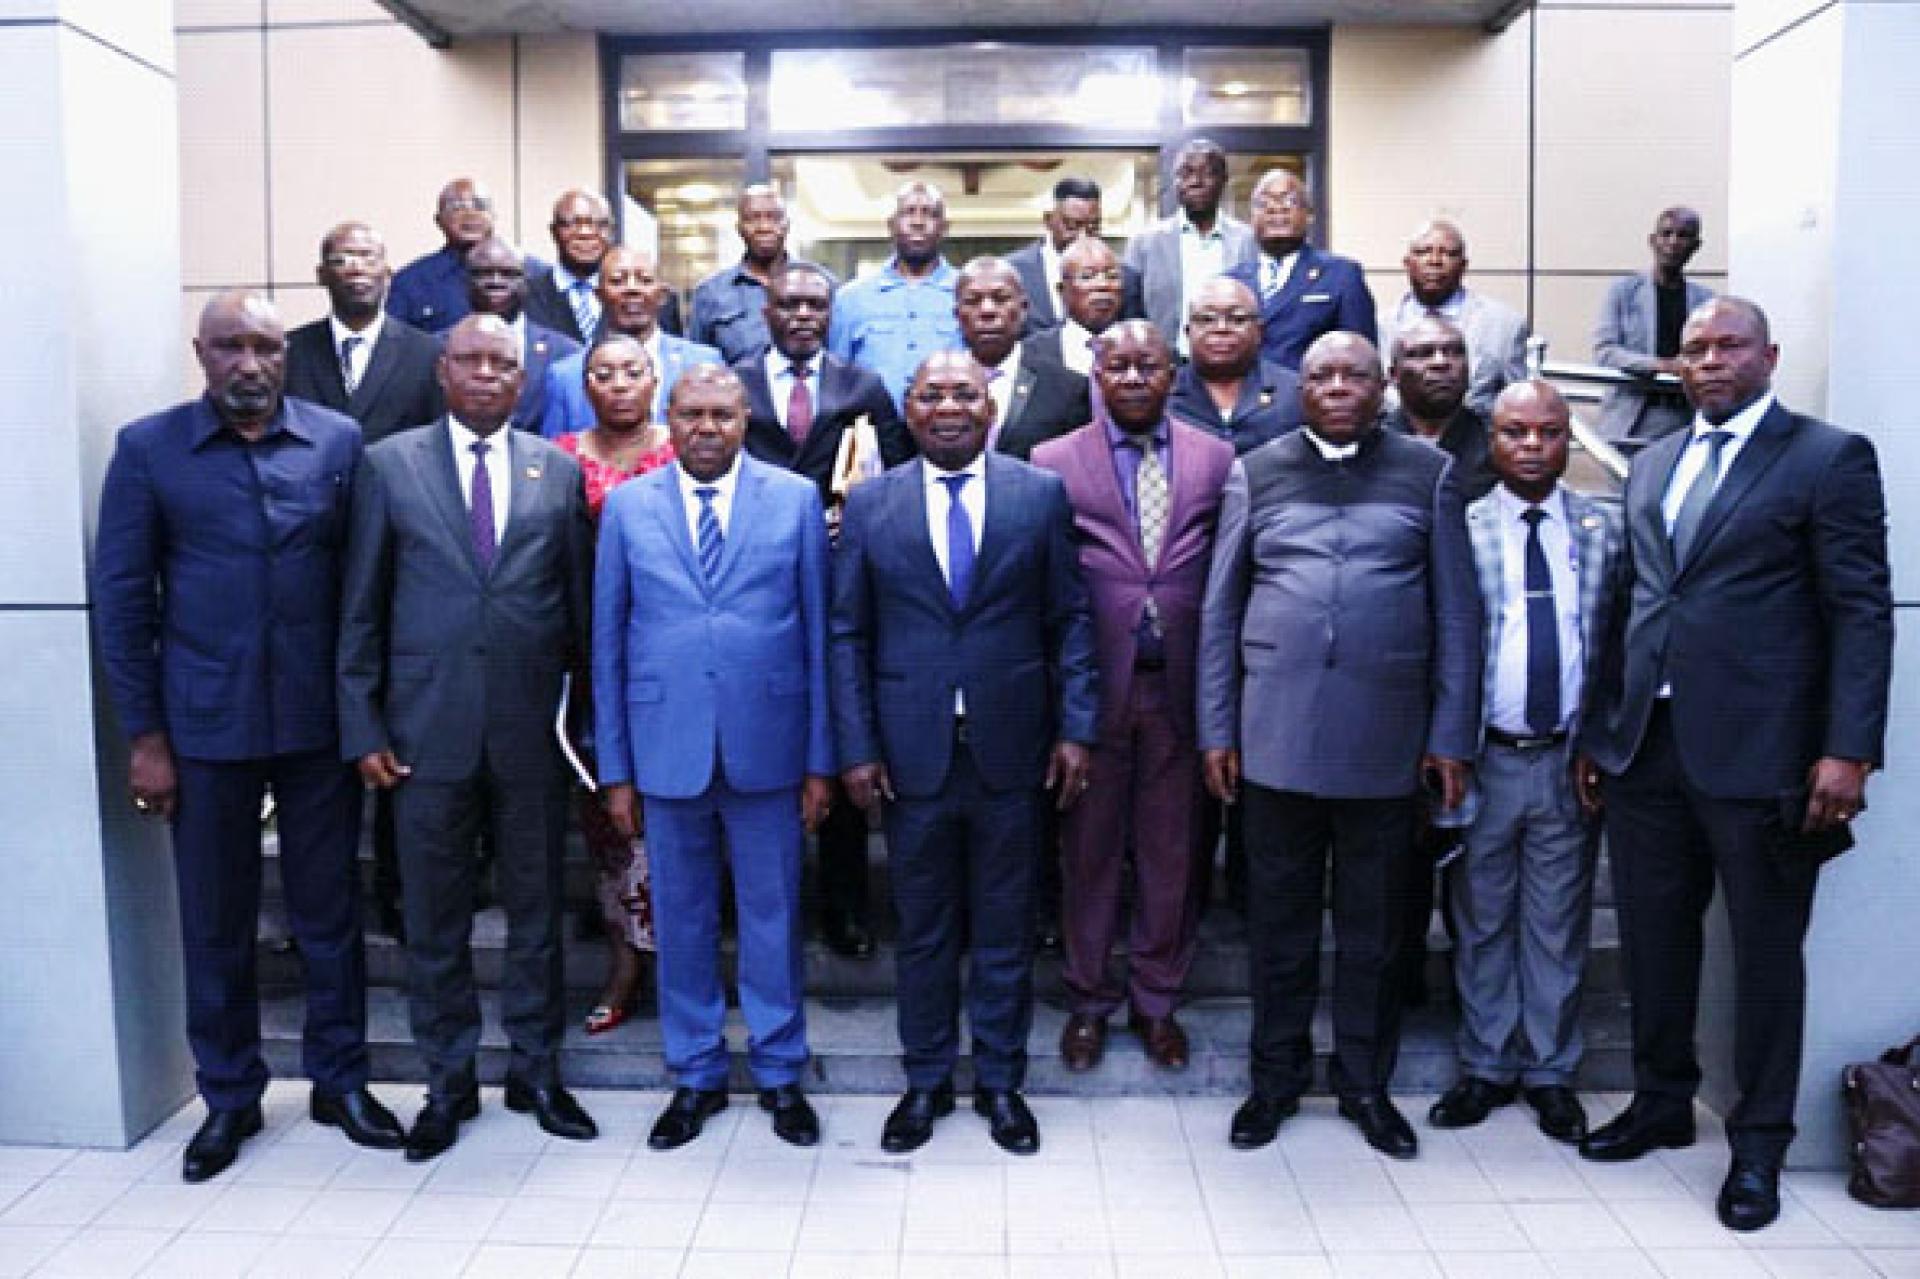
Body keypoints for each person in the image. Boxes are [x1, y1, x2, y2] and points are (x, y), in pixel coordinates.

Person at [1574, 297, 1893, 1232]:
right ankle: (1663, 1101)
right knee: (1655, 943)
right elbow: (1626, 603)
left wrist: (1849, 749)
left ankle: (1758, 1146)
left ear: (1769, 356)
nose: (1709, 360)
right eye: (1694, 349)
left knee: (1762, 958)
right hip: (1647, 752)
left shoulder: (1827, 458)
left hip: (1766, 757)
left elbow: (1860, 611)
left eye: (1728, 346)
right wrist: (1604, 730)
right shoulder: (1657, 463)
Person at [94, 291, 404, 1183]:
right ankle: (230, 1094)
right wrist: (145, 735)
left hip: (315, 725)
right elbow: (122, 603)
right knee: (217, 917)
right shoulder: (148, 451)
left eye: (266, 346)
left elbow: (361, 590)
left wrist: (362, 717)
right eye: (231, 346)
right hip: (203, 724)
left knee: (329, 911)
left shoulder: (336, 443)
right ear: (201, 353)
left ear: (286, 355)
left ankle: (340, 1080)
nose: (250, 363)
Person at [1198, 331, 1479, 1160]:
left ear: (1384, 383)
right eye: (1321, 374)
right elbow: (1219, 608)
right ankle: (1274, 1080)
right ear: (1298, 386)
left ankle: (1364, 1081)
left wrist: (1450, 734)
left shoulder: (1427, 473)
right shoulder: (1258, 468)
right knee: (1278, 928)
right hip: (1273, 739)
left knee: (1375, 933)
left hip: (1388, 746)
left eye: (1356, 373)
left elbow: (1459, 615)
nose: (1338, 386)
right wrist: (1217, 726)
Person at [338, 314, 598, 1162]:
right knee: (435, 921)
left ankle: (535, 1069)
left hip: (530, 733)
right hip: (423, 734)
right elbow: (361, 607)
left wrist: (586, 724)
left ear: (521, 380)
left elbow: (579, 611)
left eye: (504, 364)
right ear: (443, 372)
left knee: (536, 915)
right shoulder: (387, 464)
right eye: (473, 361)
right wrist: (364, 722)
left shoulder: (555, 470)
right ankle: (448, 1082)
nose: (489, 375)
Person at [832, 351, 1097, 1156]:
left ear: (990, 408)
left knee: (1007, 925)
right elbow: (847, 632)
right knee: (923, 928)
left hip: (1012, 749)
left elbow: (1071, 620)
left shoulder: (1037, 493)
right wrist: (857, 745)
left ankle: (1003, 1083)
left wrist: (1077, 728)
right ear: (906, 410)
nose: (948, 405)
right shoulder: (870, 502)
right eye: (931, 393)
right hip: (909, 756)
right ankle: (925, 1081)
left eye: (964, 393)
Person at [595, 364, 835, 1152]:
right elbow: (609, 642)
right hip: (666, 750)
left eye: (723, 415)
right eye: (692, 413)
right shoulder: (629, 507)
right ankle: (695, 1072)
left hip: (769, 743)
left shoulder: (794, 499)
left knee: (773, 915)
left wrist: (819, 759)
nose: (707, 427)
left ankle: (778, 1070)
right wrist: (617, 770)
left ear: (744, 420)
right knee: (684, 917)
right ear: (670, 418)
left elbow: (818, 635)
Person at [1031, 321, 1234, 1074]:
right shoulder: (1051, 461)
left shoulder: (1217, 458)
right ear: (1096, 371)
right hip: (1090, 696)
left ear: (1173, 371)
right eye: (1118, 364)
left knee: (1171, 855)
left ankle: (1156, 1000)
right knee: (1087, 855)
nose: (1135, 377)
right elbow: (1047, 592)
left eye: (1149, 364)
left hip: (1180, 692)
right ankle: (1088, 1000)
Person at [1427, 380, 1624, 1146]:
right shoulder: (1463, 525)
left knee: (1555, 920)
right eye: (1515, 433)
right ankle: (1484, 1064)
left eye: (1548, 432)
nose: (1533, 446)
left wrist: (1601, 742)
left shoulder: (1602, 527)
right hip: (1486, 755)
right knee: (1480, 919)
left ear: (1569, 438)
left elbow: (1614, 643)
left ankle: (1548, 1071)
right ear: (1493, 440)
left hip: (1568, 758)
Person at [738, 264, 913, 960]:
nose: (803, 314)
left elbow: (893, 471)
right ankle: (764, 908)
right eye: (790, 303)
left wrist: (858, 521)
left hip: (841, 578)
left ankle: (845, 907)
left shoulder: (861, 386)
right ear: (767, 312)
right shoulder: (735, 382)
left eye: (816, 303)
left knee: (838, 735)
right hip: (756, 579)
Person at [554, 336, 676, 1034]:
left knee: (682, 812)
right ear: (585, 384)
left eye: (634, 370)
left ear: (655, 378)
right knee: (614, 821)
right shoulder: (561, 456)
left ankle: (686, 957)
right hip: (593, 660)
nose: (620, 383)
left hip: (675, 656)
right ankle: (626, 961)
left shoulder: (685, 445)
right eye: (605, 373)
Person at [285, 221, 444, 445]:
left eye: (369, 259)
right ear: (321, 275)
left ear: (388, 275)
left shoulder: (427, 352)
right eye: (342, 260)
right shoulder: (290, 350)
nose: (357, 269)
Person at [542, 246, 721, 436]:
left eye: (645, 280)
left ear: (662, 295)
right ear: (599, 295)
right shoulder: (566, 375)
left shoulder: (703, 362)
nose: (632, 289)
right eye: (618, 281)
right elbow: (555, 456)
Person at [827, 181, 962, 407]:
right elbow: (835, 377)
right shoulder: (850, 298)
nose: (918, 222)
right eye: (908, 213)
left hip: (948, 429)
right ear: (891, 225)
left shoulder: (967, 293)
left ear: (944, 227)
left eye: (930, 214)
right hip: (872, 430)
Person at [1225, 169, 1375, 370]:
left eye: (1290, 201)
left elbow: (1361, 357)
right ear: (1251, 218)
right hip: (1242, 398)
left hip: (1308, 397)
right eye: (1264, 203)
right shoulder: (1230, 282)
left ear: (1310, 215)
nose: (1276, 208)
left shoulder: (1342, 275)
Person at [1377, 220, 1529, 417]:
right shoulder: (1379, 324)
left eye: (1448, 253)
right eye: (1423, 252)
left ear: (1464, 266)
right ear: (1407, 264)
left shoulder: (1503, 325)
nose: (1435, 261)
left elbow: (1518, 406)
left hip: (1474, 440)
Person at [1125, 138, 1259, 357]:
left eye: (1208, 173)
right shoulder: (1144, 243)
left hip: (1232, 364)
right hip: (1165, 365)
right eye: (1186, 173)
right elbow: (1131, 313)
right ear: (1175, 181)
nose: (1196, 181)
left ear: (1223, 180)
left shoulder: (1248, 241)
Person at [1592, 207, 1713, 445]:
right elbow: (1605, 352)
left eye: (1683, 235)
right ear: (1652, 241)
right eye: (1666, 234)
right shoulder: (1623, 292)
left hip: (1684, 417)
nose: (1673, 242)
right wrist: (1661, 366)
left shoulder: (1706, 302)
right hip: (1631, 417)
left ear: (1696, 246)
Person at [953, 256, 1091, 462]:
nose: (987, 311)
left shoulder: (1068, 389)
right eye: (973, 301)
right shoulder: (934, 390)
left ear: (1023, 308)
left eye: (1000, 299)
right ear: (957, 314)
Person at [688, 184, 833, 365]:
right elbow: (697, 363)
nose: (764, 227)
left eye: (774, 218)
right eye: (753, 219)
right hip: (738, 391)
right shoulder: (710, 292)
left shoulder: (822, 284)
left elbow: (837, 356)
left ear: (787, 224)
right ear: (739, 227)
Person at [522, 189, 684, 342]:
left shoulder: (655, 298)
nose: (585, 233)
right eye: (572, 223)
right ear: (553, 231)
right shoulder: (524, 295)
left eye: (599, 224)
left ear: (612, 231)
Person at [1169, 275, 1304, 456]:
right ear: (1188, 332)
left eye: (1237, 319)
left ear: (1259, 332)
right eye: (1207, 319)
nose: (1221, 328)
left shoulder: (1295, 392)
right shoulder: (1165, 394)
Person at [462, 234, 580, 437]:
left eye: (508, 274)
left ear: (527, 282)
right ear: (466, 281)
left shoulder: (565, 352)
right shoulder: (438, 347)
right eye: (483, 273)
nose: (496, 282)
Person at [1385, 316, 1497, 501]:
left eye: (1454, 352)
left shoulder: (1494, 443)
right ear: (1393, 375)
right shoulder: (1370, 443)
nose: (1441, 363)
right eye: (1424, 353)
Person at [387, 177, 509, 334]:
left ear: (493, 216)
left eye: (480, 206)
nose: (470, 214)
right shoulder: (409, 282)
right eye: (457, 207)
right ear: (438, 220)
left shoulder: (532, 274)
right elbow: (395, 346)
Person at [1004, 176, 1102, 333]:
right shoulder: (1012, 271)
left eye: (1093, 228)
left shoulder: (1122, 277)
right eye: (1072, 226)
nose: (1082, 237)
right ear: (1048, 220)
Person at [1025, 237, 1128, 379]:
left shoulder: (1145, 348)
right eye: (1087, 276)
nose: (1103, 285)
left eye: (1112, 276)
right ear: (1062, 290)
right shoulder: (1030, 353)